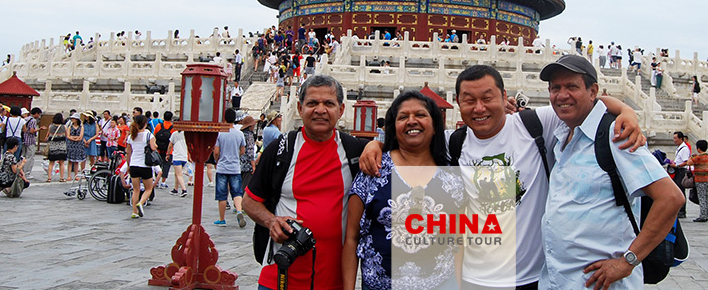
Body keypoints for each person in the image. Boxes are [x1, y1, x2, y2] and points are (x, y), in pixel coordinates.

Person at [360, 64, 646, 289]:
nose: (479, 108)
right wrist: (377, 143)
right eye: (469, 100)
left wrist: (626, 111)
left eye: (488, 98)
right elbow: (414, 135)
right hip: (473, 279)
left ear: (504, 96)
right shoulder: (454, 142)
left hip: (533, 277)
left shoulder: (534, 125)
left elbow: (583, 101)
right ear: (457, 102)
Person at [537, 55, 682, 289]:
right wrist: (625, 107)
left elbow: (671, 198)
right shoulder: (562, 134)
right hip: (558, 280)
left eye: (572, 86)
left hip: (602, 283)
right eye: (555, 88)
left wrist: (628, 261)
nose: (562, 95)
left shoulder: (616, 135)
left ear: (593, 91)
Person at [243, 75, 368, 290]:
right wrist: (271, 221)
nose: (320, 110)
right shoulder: (281, 150)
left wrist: (375, 146)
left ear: (341, 110)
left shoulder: (354, 152)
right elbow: (248, 201)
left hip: (334, 282)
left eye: (329, 103)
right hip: (279, 279)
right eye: (312, 103)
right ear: (300, 109)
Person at [343, 91, 464, 290]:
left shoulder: (451, 178)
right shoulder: (373, 170)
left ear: (435, 126)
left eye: (420, 115)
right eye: (403, 117)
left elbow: (458, 242)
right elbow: (351, 238)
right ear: (394, 127)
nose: (412, 121)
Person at [213, 108, 247, 227]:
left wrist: (217, 160)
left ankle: (222, 219)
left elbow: (216, 151)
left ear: (225, 118)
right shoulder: (239, 134)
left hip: (222, 166)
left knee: (222, 194)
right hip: (235, 166)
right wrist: (235, 156)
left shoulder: (220, 133)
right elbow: (243, 150)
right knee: (237, 192)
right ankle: (238, 210)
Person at [125, 114, 158, 219]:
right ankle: (141, 202)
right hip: (145, 165)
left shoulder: (131, 136)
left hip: (134, 164)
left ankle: (134, 211)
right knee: (148, 188)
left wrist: (128, 165)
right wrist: (156, 145)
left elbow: (128, 153)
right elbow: (153, 147)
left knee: (136, 190)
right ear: (145, 124)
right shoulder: (148, 135)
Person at [685, 139, 708, 222]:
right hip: (707, 179)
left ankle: (703, 215)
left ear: (698, 149)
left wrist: (691, 156)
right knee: (705, 197)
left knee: (701, 198)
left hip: (700, 179)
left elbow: (688, 162)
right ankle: (705, 214)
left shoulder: (698, 157)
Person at [671, 131, 691, 219]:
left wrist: (677, 165)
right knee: (677, 189)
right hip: (677, 170)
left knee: (680, 190)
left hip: (681, 171)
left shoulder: (684, 149)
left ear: (681, 139)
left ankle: (682, 211)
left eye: (675, 138)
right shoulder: (679, 148)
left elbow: (686, 162)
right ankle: (679, 209)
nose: (674, 140)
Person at [153, 111, 175, 189]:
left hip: (158, 149)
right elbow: (172, 141)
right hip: (168, 150)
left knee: (157, 164)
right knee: (166, 165)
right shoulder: (172, 128)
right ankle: (163, 182)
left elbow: (154, 135)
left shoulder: (159, 125)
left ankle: (156, 180)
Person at [45, 113, 68, 183]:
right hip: (62, 146)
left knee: (51, 163)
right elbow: (67, 136)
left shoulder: (50, 126)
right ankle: (61, 178)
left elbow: (47, 136)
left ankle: (49, 178)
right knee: (61, 163)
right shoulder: (64, 127)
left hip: (53, 146)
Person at [22, 108, 44, 177]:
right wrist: (39, 129)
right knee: (30, 157)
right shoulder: (33, 120)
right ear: (36, 113)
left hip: (23, 139)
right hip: (30, 140)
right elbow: (31, 131)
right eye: (39, 114)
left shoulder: (26, 119)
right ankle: (27, 173)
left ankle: (21, 171)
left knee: (23, 156)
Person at [169, 126, 189, 197]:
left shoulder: (174, 134)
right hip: (184, 156)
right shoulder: (186, 134)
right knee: (177, 173)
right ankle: (175, 188)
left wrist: (168, 154)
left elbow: (170, 145)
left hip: (177, 156)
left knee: (179, 174)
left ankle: (184, 189)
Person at [66, 114, 86, 182]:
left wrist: (73, 137)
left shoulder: (81, 127)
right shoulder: (70, 127)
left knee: (76, 161)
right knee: (70, 161)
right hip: (71, 145)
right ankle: (69, 175)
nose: (72, 120)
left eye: (74, 118)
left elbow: (81, 137)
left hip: (78, 145)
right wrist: (74, 138)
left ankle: (76, 175)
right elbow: (68, 136)